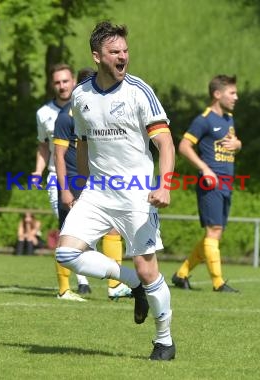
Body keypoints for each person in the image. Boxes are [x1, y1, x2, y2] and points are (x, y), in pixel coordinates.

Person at [55, 21, 176, 360]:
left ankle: (164, 340)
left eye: (125, 50)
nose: (123, 56)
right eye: (115, 52)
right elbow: (81, 143)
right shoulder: (81, 95)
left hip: (136, 194)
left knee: (148, 269)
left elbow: (165, 143)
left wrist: (163, 185)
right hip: (97, 192)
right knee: (66, 253)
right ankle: (132, 283)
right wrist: (80, 186)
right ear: (97, 57)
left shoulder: (139, 91)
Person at [54, 67, 132, 301]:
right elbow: (58, 156)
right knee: (69, 236)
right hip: (76, 181)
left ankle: (115, 285)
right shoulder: (66, 116)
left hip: (101, 182)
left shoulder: (104, 112)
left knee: (113, 229)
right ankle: (64, 289)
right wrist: (65, 190)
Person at [171, 75, 242, 293]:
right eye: (232, 93)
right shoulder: (204, 120)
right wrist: (204, 169)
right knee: (214, 230)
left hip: (227, 183)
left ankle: (181, 274)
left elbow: (233, 145)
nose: (236, 97)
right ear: (217, 94)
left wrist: (238, 144)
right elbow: (183, 146)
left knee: (215, 234)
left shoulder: (229, 119)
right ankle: (218, 283)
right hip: (210, 183)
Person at [33, 63, 90, 301]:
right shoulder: (44, 113)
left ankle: (93, 279)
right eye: (57, 82)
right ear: (52, 84)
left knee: (89, 230)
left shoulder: (85, 108)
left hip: (86, 176)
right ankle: (75, 283)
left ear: (73, 82)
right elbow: (44, 147)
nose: (62, 86)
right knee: (67, 228)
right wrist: (37, 172)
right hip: (59, 177)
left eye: (65, 81)